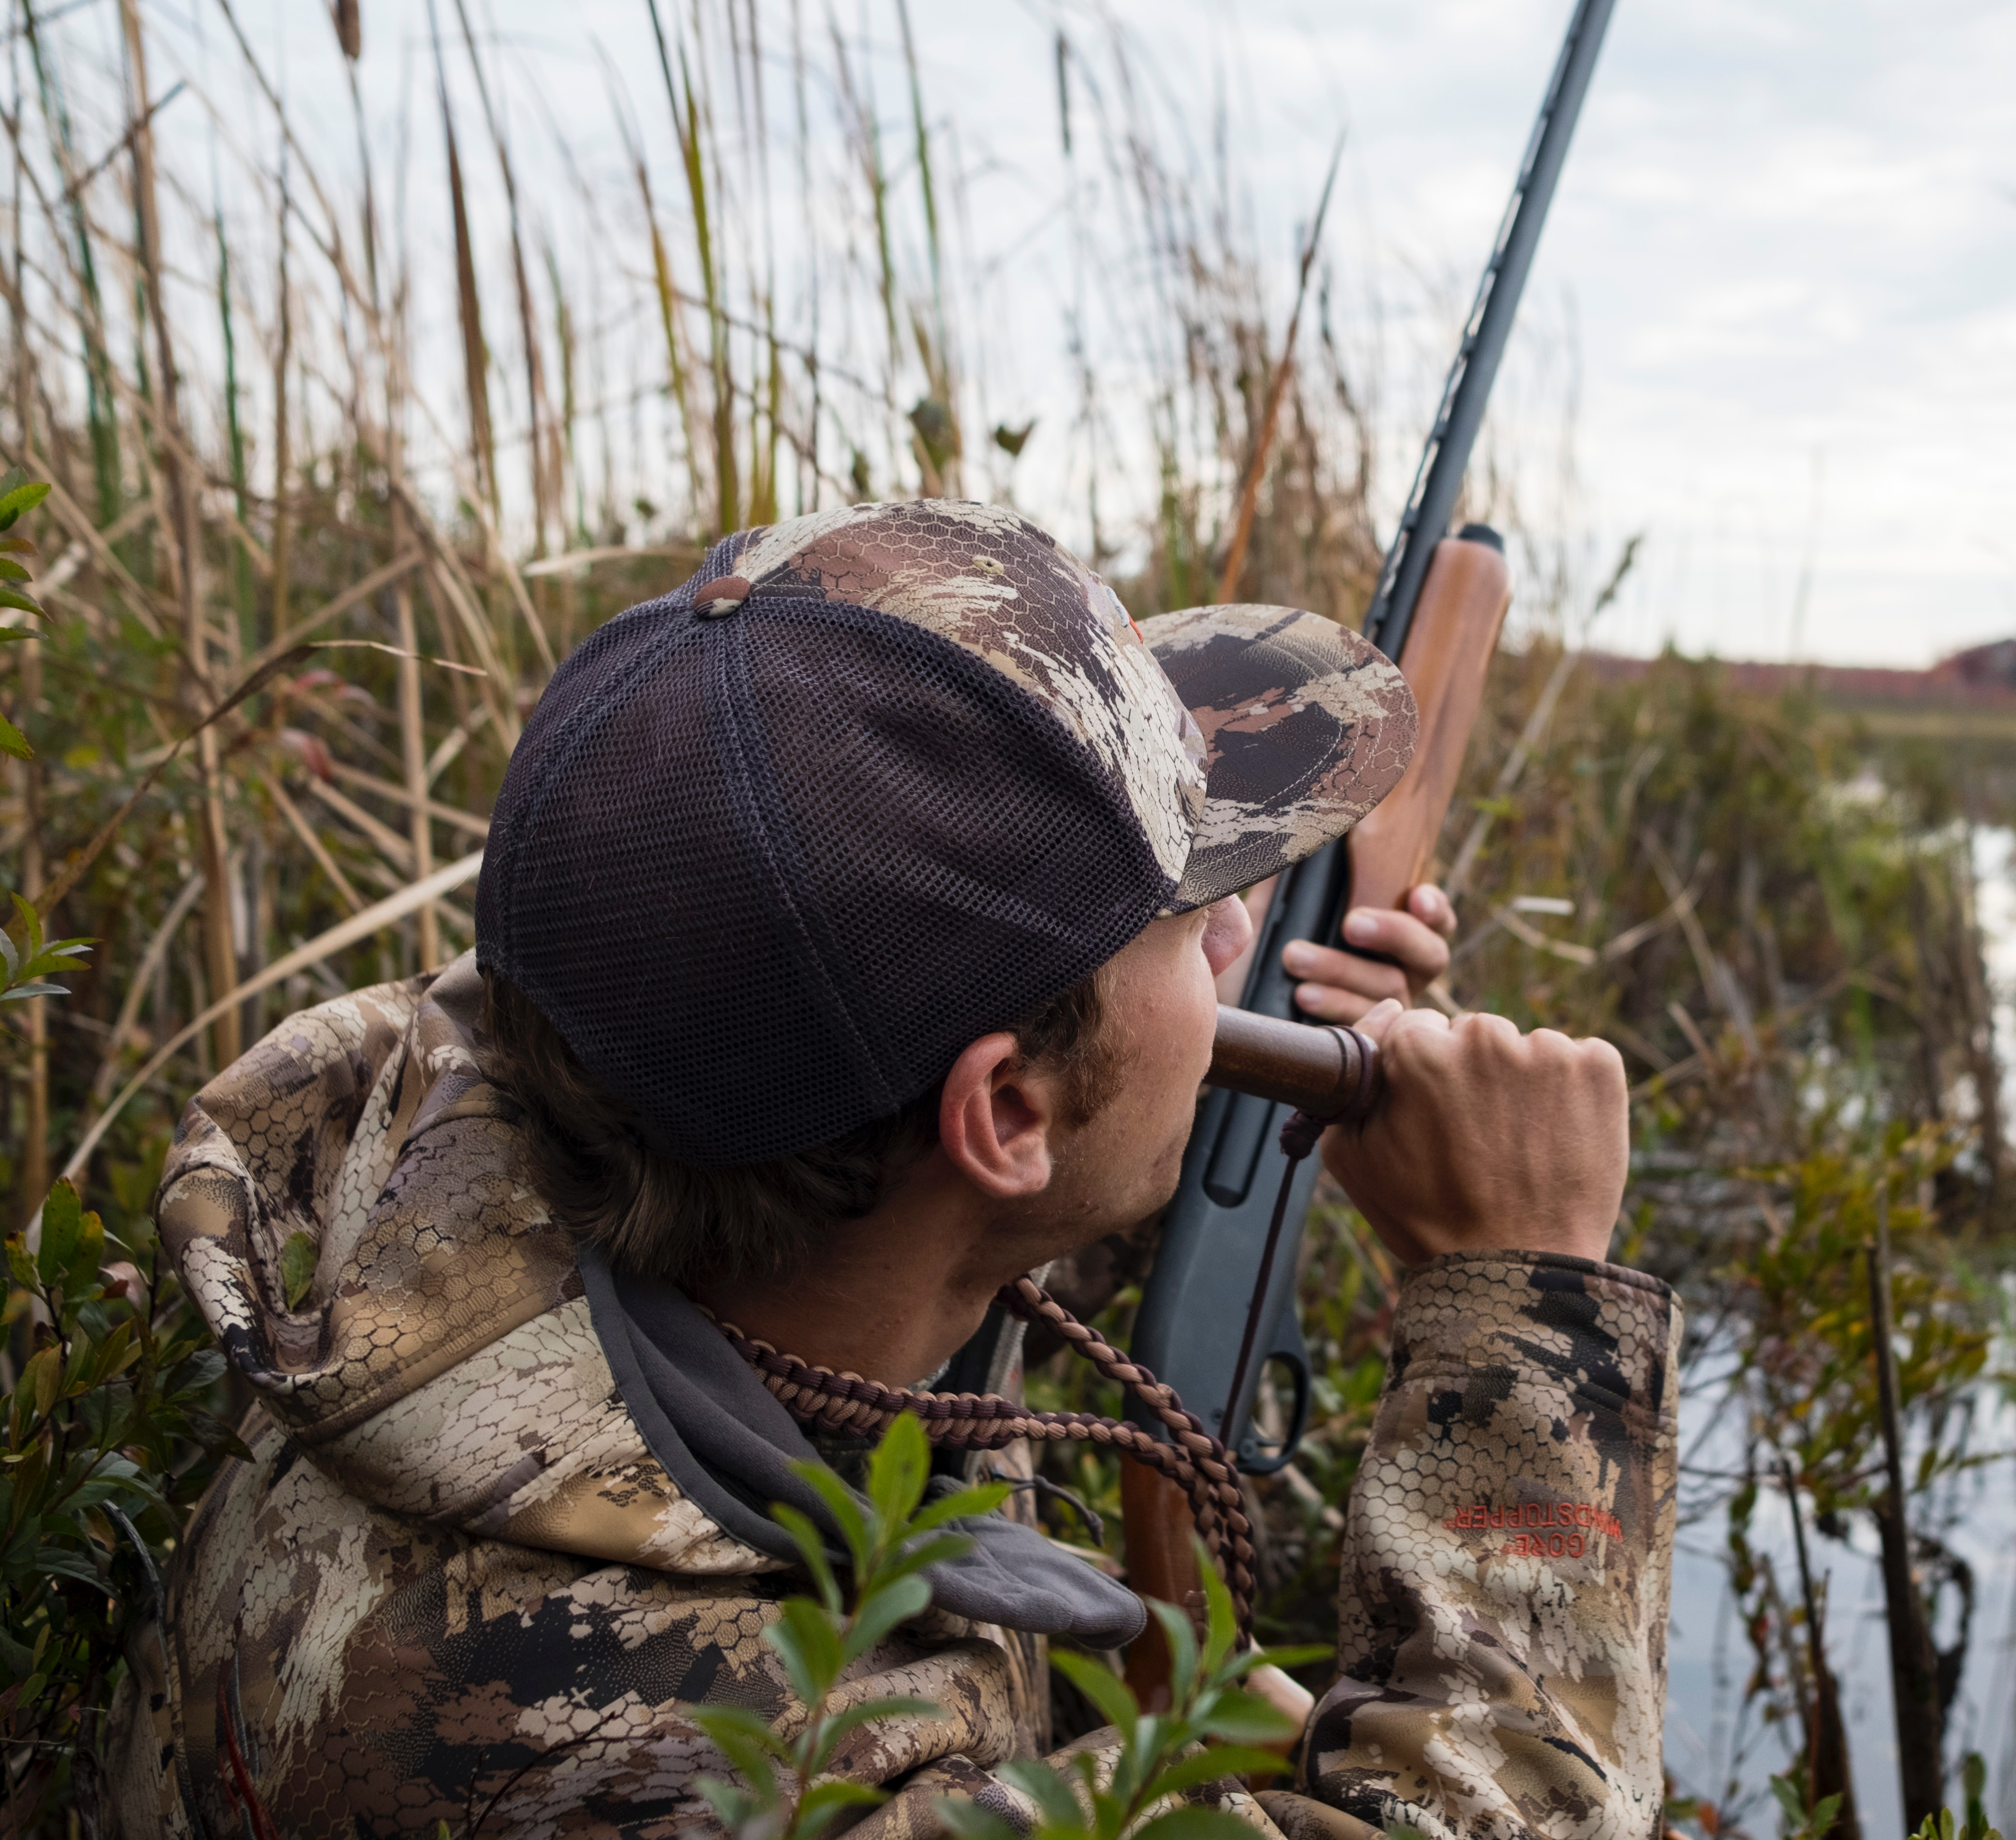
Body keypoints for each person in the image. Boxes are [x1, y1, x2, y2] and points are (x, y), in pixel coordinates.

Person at [111, 500, 1678, 1840]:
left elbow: (905, 1167)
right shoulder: (682, 1759)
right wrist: (1527, 1316)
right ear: (998, 1115)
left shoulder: (533, 1168)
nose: (1242, 934)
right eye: (1190, 910)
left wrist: (1163, 1062)